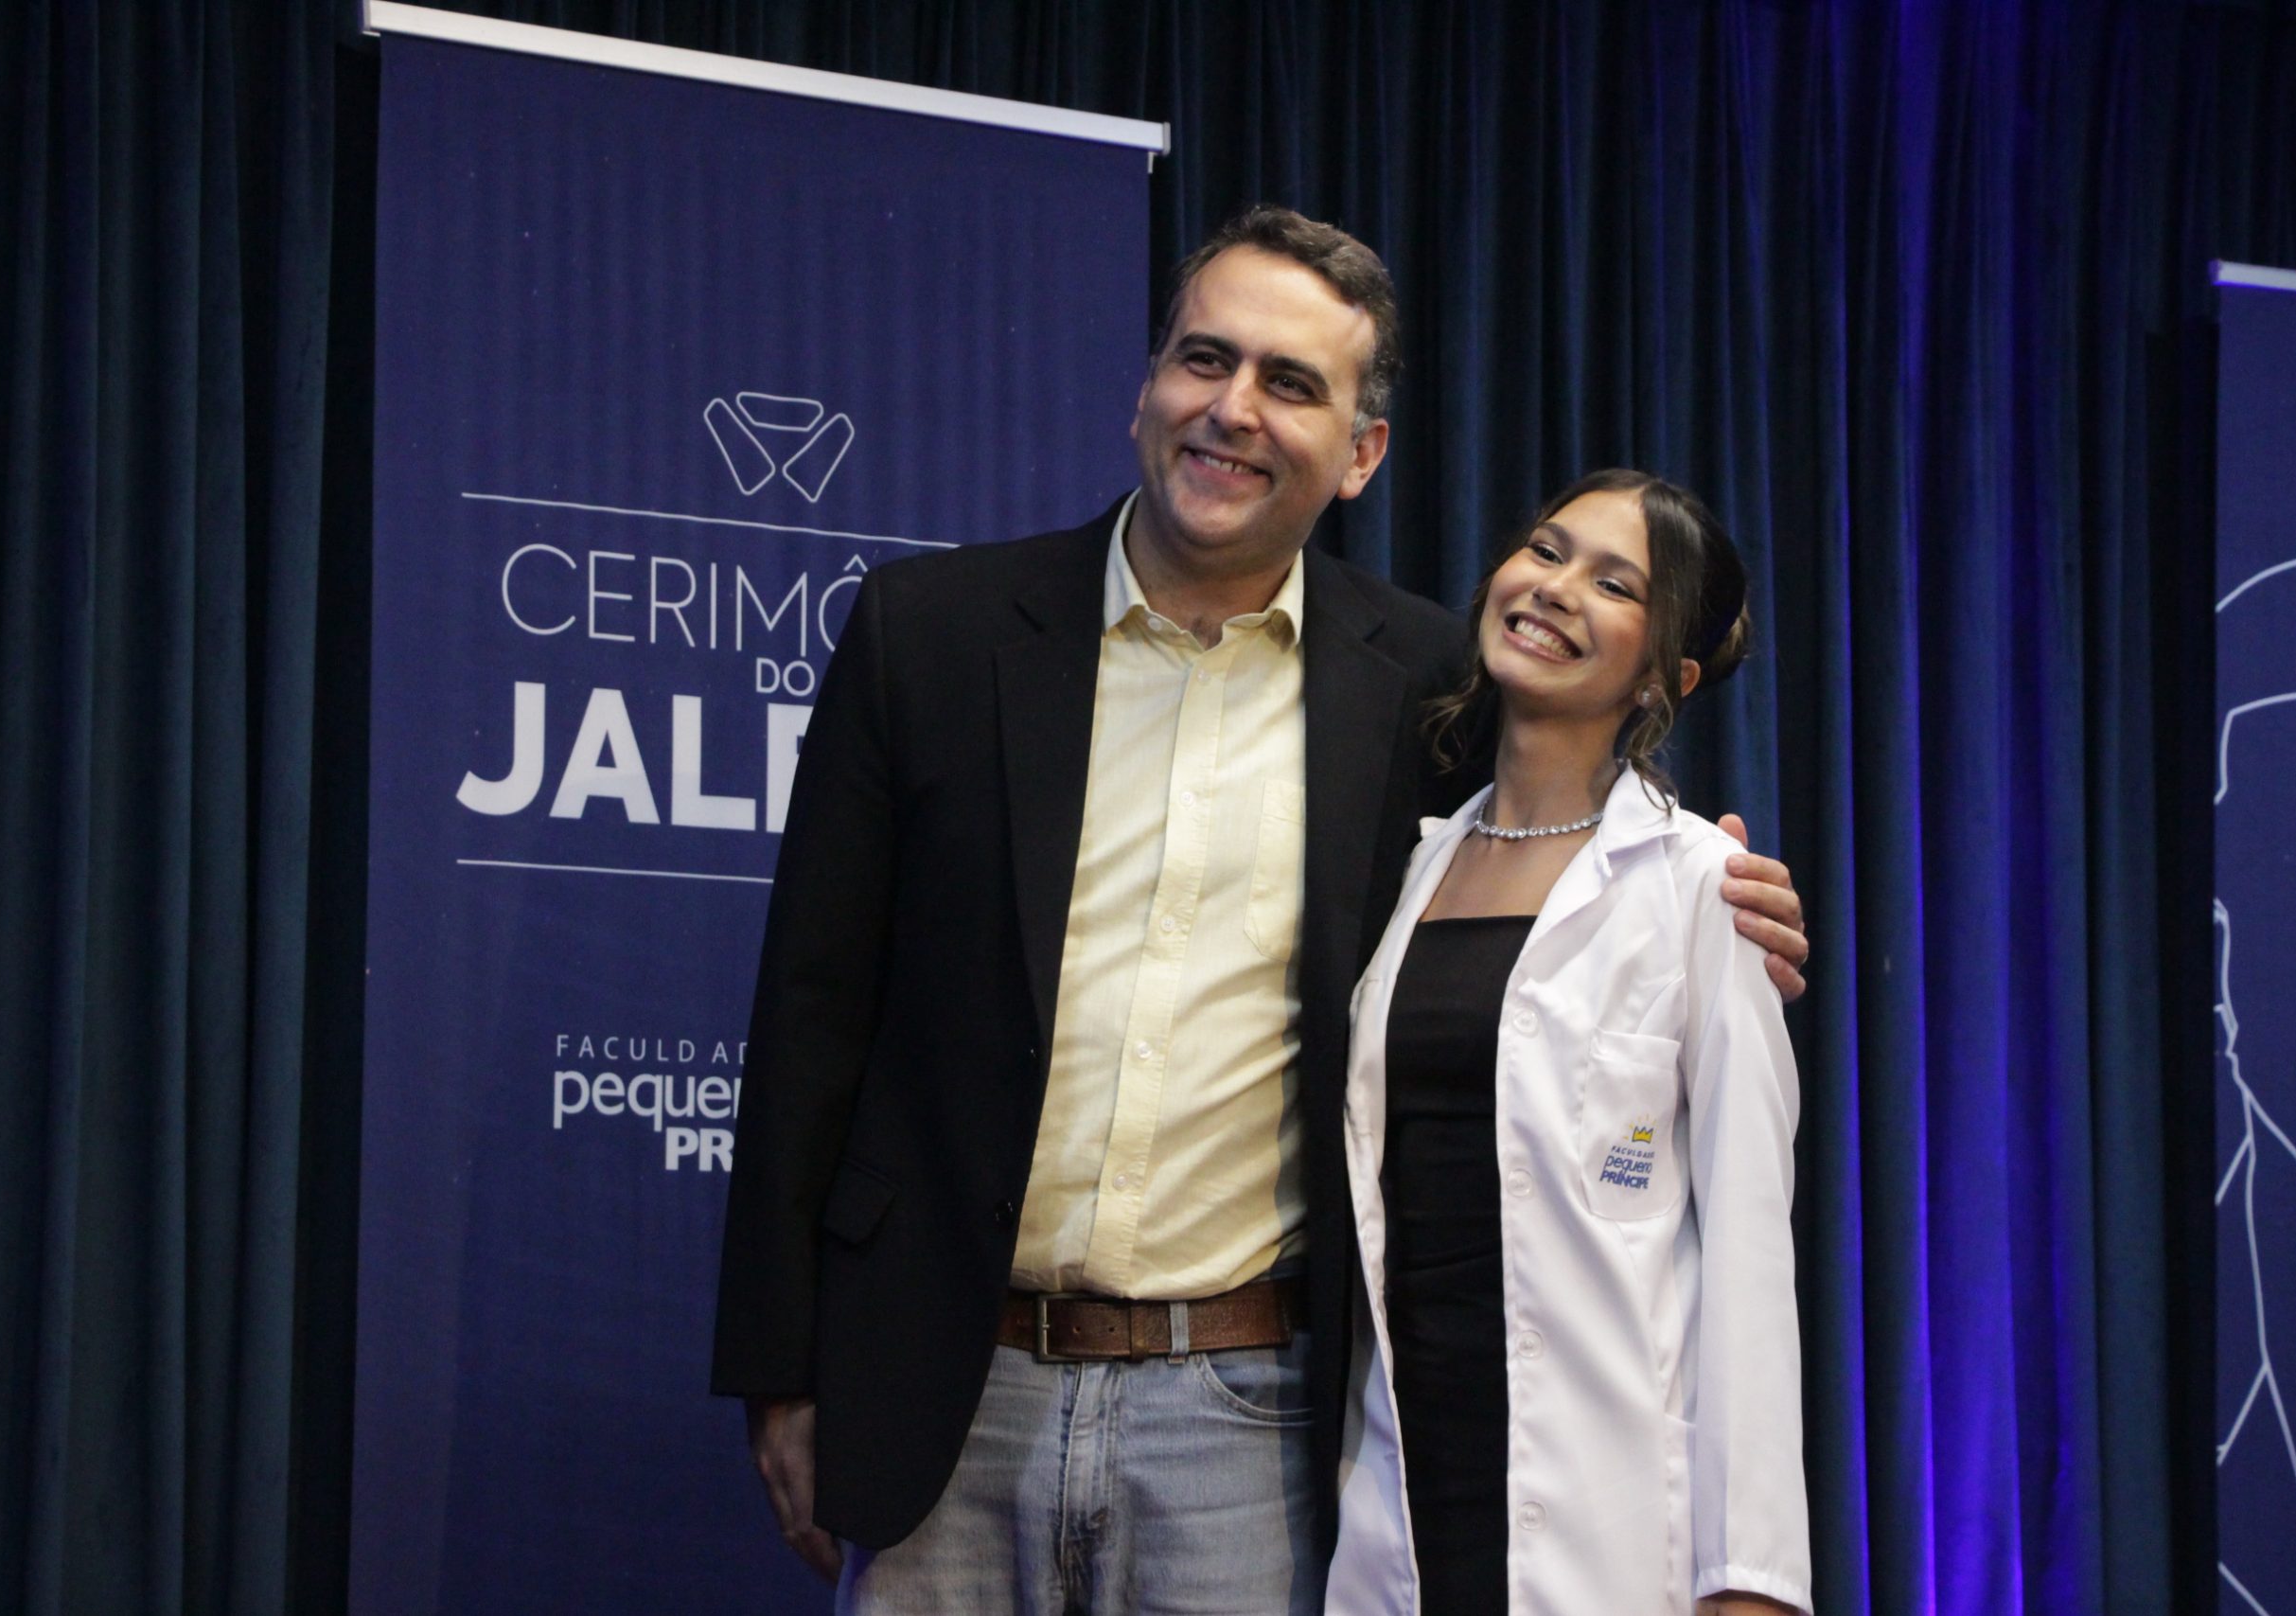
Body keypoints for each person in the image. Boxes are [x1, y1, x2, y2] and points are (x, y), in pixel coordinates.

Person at [711, 209, 1812, 1615]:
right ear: (1145, 388)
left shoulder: (1425, 682)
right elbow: (808, 1014)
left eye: (1290, 383)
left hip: (1248, 1418)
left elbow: (1566, 814)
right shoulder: (928, 632)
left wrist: (1714, 880)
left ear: (1361, 452)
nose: (1233, 409)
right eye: (1204, 359)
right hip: (946, 1388)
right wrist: (781, 1369)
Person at [1326, 470, 1812, 1615]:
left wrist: (1749, 1580)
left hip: (1607, 1512)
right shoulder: (1411, 866)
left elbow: (1748, 1255)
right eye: (1545, 552)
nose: (1554, 589)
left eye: (1614, 584)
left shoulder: (1702, 887)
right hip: (1402, 1489)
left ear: (1664, 676)